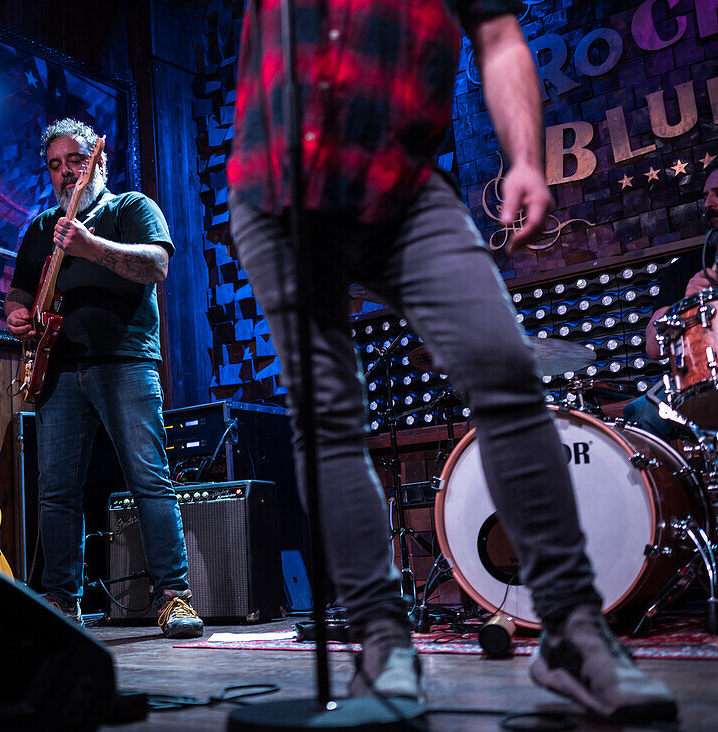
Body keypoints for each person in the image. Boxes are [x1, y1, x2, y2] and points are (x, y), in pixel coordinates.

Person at [228, 0, 676, 721]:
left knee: (503, 367)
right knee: (329, 415)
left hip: (403, 191)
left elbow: (496, 34)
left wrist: (526, 157)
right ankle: (383, 647)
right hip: (278, 190)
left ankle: (571, 632)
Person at [5, 118, 203, 639]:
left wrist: (91, 247)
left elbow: (157, 266)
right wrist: (16, 314)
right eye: (55, 165)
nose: (66, 172)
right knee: (56, 491)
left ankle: (174, 597)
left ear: (98, 159)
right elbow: (20, 291)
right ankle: (62, 602)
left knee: (149, 480)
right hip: (59, 367)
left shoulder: (131, 207)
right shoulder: (42, 226)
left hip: (125, 362)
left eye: (75, 160)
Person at [628, 167, 718, 434]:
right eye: (706, 195)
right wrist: (689, 301)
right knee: (643, 412)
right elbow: (653, 349)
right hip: (701, 381)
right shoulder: (684, 269)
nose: (708, 203)